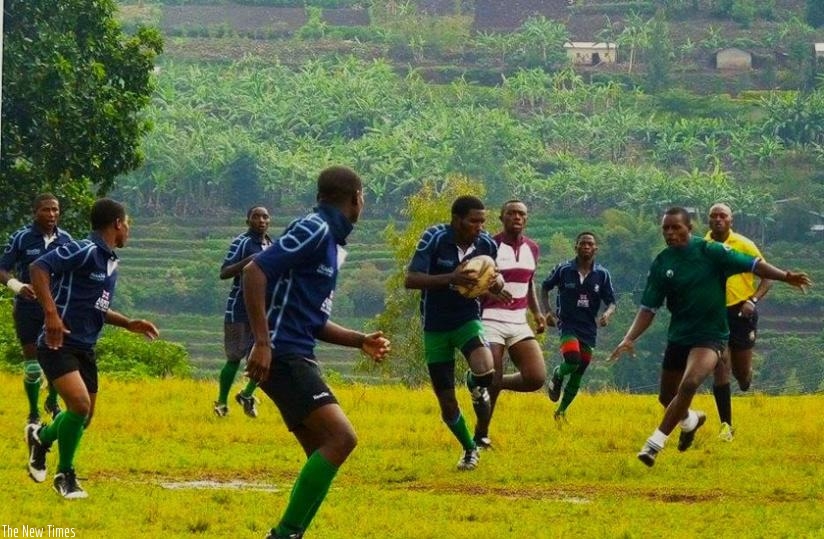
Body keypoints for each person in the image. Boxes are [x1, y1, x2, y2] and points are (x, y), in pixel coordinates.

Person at [243, 166, 390, 539]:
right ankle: (282, 535)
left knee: (322, 452)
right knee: (342, 439)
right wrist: (263, 342)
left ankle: (292, 533)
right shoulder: (315, 228)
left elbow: (315, 321)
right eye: (363, 197)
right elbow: (254, 272)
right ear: (356, 198)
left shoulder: (331, 244)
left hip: (296, 352)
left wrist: (360, 340)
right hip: (282, 353)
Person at [608, 207, 811, 467]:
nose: (670, 233)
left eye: (676, 227)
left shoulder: (711, 251)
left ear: (689, 228)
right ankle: (691, 420)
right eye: (666, 229)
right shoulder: (662, 263)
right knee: (666, 398)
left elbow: (753, 264)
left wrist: (785, 276)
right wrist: (629, 338)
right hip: (680, 335)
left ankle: (654, 444)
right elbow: (648, 308)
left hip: (711, 335)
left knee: (690, 383)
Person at [25, 198, 159, 498]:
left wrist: (128, 323)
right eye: (127, 224)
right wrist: (51, 314)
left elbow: (95, 307)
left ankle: (41, 438)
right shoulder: (84, 249)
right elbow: (38, 267)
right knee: (79, 405)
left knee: (83, 417)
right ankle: (65, 475)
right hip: (58, 343)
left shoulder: (110, 262)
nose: (128, 230)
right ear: (117, 224)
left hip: (86, 347)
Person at [404, 195, 504, 471]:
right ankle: (469, 448)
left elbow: (493, 275)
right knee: (447, 403)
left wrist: (497, 283)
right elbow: (411, 279)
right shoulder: (434, 238)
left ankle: (474, 382)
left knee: (485, 371)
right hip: (435, 326)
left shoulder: (486, 244)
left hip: (467, 319)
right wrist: (452, 278)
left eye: (482, 221)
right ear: (456, 220)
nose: (480, 227)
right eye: (474, 221)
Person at [474, 200, 546, 448]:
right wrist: (490, 292)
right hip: (491, 318)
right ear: (502, 217)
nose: (517, 217)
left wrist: (537, 313)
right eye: (512, 213)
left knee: (535, 378)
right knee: (492, 375)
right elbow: (473, 281)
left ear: (526, 219)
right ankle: (481, 435)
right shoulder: (489, 245)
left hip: (518, 321)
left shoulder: (532, 248)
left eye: (521, 214)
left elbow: (529, 282)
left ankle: (491, 382)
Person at [0, 194, 73, 425]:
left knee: (57, 358)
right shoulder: (21, 238)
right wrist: (18, 286)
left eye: (55, 210)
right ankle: (33, 413)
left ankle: (52, 401)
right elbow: (2, 269)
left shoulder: (67, 240)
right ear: (35, 212)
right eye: (46, 210)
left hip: (57, 309)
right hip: (28, 309)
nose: (51, 214)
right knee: (33, 365)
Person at [705, 203, 771, 442]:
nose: (718, 219)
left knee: (741, 375)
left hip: (742, 312)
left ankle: (745, 378)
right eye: (714, 216)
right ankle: (726, 426)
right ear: (709, 220)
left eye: (723, 216)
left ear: (731, 220)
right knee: (720, 364)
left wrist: (752, 300)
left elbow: (767, 277)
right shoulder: (703, 247)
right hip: (714, 314)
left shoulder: (744, 245)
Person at [540, 232, 616, 422]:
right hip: (567, 324)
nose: (586, 247)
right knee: (573, 360)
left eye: (590, 244)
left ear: (595, 248)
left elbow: (611, 302)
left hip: (589, 328)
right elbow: (545, 287)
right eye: (583, 243)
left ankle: (561, 412)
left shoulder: (602, 274)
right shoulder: (564, 269)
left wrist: (607, 314)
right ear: (576, 247)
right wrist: (548, 312)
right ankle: (558, 373)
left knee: (579, 371)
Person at [214, 205, 272, 418]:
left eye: (265, 217)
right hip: (239, 308)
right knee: (234, 357)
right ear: (248, 221)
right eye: (256, 217)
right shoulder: (242, 242)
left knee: (265, 355)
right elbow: (224, 272)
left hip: (263, 310)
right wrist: (249, 261)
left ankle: (246, 394)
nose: (261, 220)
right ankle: (221, 403)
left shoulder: (271, 244)